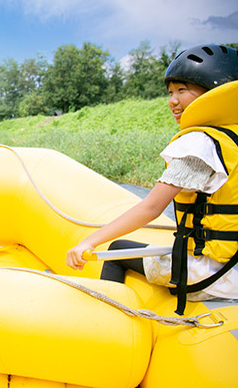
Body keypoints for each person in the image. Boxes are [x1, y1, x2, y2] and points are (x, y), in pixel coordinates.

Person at [67, 43, 238, 315]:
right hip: (234, 267)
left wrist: (89, 242)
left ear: (214, 92)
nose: (172, 100)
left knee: (118, 250)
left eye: (183, 90)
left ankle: (105, 326)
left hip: (214, 275)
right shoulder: (232, 139)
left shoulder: (199, 144)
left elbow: (151, 208)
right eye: (170, 92)